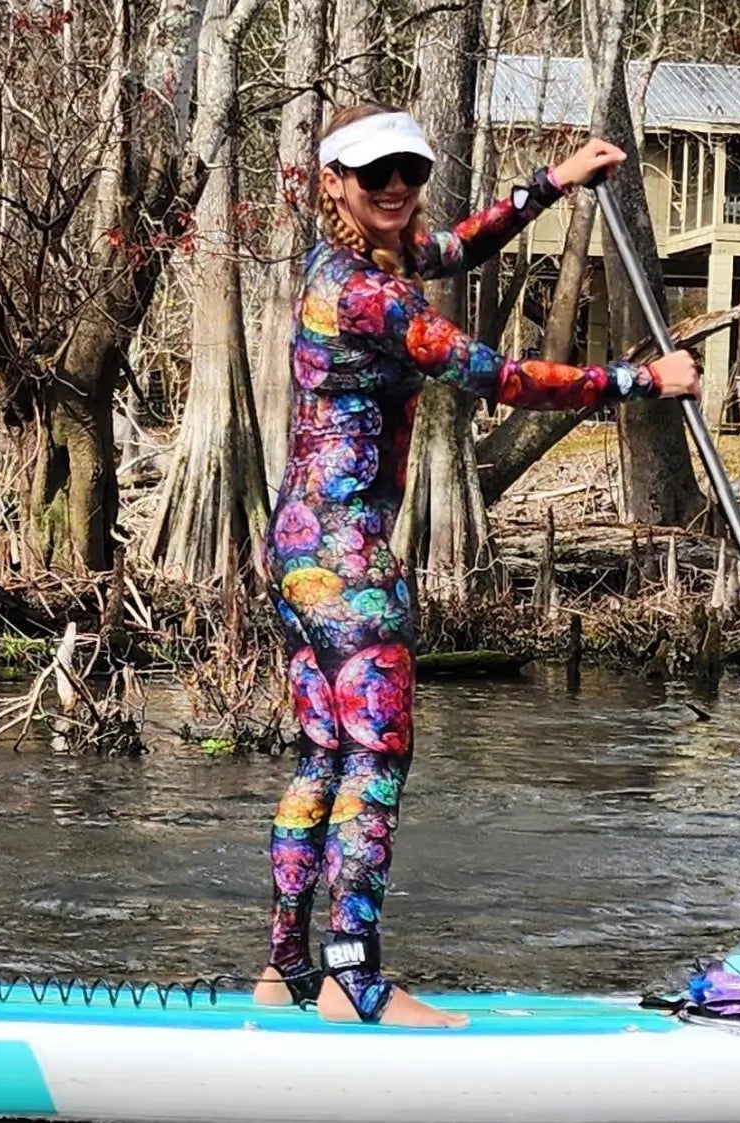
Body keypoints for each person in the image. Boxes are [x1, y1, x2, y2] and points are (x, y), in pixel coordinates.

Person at [249, 103, 702, 1029]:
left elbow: (459, 246)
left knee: (323, 752)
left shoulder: (364, 265)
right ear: (331, 181)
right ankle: (355, 982)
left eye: (407, 172)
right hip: (345, 556)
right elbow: (490, 373)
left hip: (298, 546)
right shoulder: (369, 295)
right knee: (377, 753)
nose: (394, 187)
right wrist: (636, 382)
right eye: (373, 173)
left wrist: (554, 182)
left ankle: (287, 970)